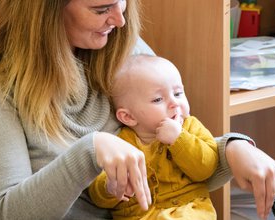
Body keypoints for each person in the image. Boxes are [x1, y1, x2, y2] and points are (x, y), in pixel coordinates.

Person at [0, 0, 275, 219]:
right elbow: (1, 214)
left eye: (122, 2)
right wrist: (90, 153)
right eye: (101, 8)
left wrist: (233, 150)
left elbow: (172, 155)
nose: (118, 19)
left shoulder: (116, 43)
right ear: (44, 9)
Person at [89, 54, 219, 219]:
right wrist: (110, 187)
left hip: (188, 209)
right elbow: (97, 194)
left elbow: (207, 168)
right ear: (128, 117)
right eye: (158, 99)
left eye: (178, 93)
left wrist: (179, 139)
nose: (174, 103)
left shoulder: (189, 127)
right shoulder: (121, 143)